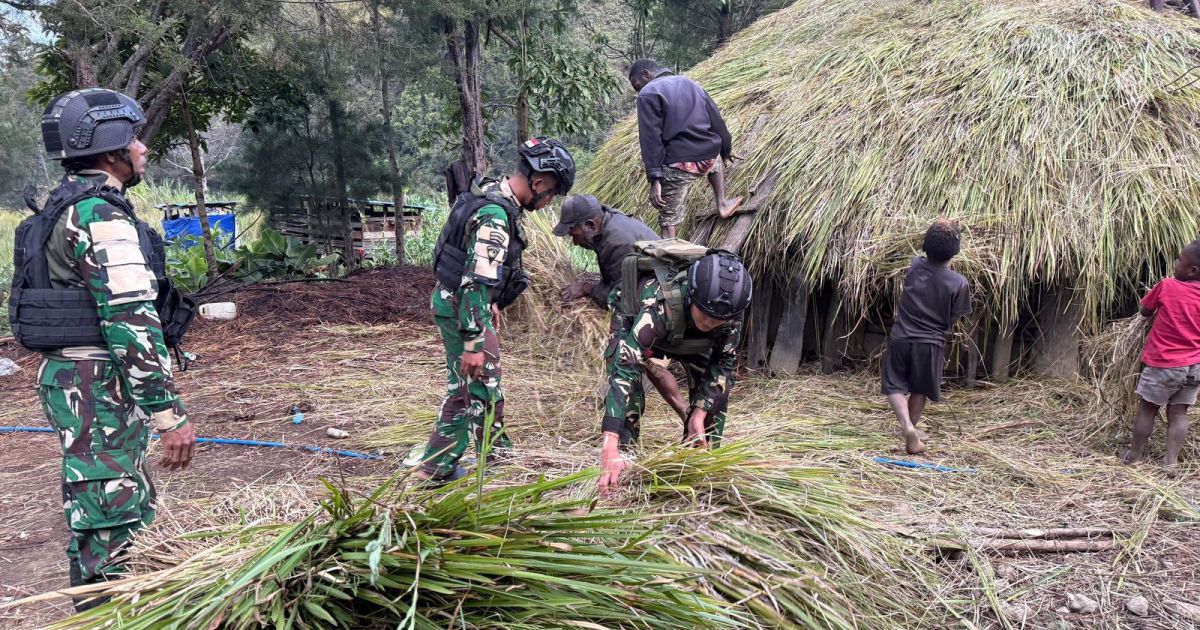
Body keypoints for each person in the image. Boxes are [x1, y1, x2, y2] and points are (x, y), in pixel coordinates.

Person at [11, 88, 195, 609]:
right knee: (113, 518)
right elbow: (130, 322)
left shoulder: (62, 206)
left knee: (108, 508)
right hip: (97, 387)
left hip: (79, 382)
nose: (142, 150)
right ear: (111, 150)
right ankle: (106, 615)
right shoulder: (100, 215)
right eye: (134, 140)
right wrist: (167, 413)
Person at [418, 137, 576, 484]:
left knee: (483, 384)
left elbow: (474, 267)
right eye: (551, 194)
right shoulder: (495, 217)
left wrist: (489, 304)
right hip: (463, 307)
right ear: (537, 184)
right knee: (470, 385)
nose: (549, 201)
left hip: (461, 303)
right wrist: (474, 339)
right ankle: (436, 468)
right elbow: (474, 281)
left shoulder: (489, 191)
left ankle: (495, 453)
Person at [597, 250, 752, 494]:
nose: (711, 323)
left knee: (714, 399)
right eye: (706, 314)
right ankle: (622, 464)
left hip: (689, 335)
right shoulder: (658, 305)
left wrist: (699, 414)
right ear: (692, 296)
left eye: (718, 319)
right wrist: (609, 443)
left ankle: (700, 461)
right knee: (631, 394)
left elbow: (723, 365)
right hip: (639, 320)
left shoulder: (730, 313)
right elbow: (623, 371)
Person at [554, 194, 689, 421]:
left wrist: (586, 289)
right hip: (659, 296)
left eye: (573, 233)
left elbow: (620, 297)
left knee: (629, 358)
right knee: (649, 363)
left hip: (662, 305)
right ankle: (687, 417)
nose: (573, 241)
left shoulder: (616, 242)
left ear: (590, 225)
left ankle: (629, 427)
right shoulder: (609, 222)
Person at [881, 219, 971, 455]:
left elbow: (924, 258)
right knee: (920, 388)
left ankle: (907, 427)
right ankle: (911, 431)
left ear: (924, 246)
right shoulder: (959, 283)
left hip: (902, 337)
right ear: (955, 253)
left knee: (893, 384)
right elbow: (954, 316)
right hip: (931, 343)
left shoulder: (914, 266)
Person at [629, 58, 743, 239]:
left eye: (637, 86)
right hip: (709, 158)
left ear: (646, 74)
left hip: (678, 164)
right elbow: (716, 120)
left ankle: (670, 252)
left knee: (668, 220)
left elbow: (651, 139)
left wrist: (655, 179)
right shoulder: (691, 84)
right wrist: (726, 149)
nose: (639, 91)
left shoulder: (648, 93)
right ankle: (722, 202)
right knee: (715, 157)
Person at [1123, 240, 1200, 468]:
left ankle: (1133, 455)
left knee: (1147, 408)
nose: (1175, 264)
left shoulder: (1167, 286)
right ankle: (1171, 462)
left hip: (1164, 363)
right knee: (1179, 414)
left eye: (1179, 260)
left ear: (1192, 270)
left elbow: (1144, 310)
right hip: (1195, 365)